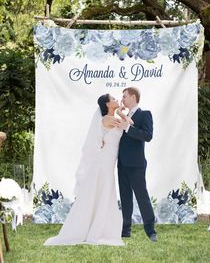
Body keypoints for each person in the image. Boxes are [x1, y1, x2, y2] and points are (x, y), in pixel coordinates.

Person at [44, 94, 132, 246]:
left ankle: (99, 227)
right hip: (103, 162)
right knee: (102, 191)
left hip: (109, 162)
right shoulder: (106, 119)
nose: (117, 100)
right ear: (107, 104)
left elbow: (129, 124)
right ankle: (91, 230)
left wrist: (120, 112)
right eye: (113, 99)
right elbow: (128, 124)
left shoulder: (112, 118)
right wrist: (121, 112)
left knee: (104, 192)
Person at [117, 87, 157, 242]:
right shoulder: (126, 116)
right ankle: (125, 230)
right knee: (125, 197)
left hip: (137, 164)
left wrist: (127, 127)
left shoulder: (145, 114)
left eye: (125, 96)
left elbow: (147, 136)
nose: (123, 99)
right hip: (122, 164)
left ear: (133, 97)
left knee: (142, 197)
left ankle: (150, 230)